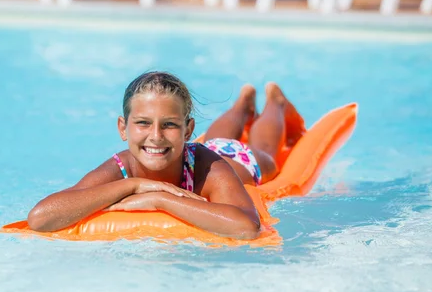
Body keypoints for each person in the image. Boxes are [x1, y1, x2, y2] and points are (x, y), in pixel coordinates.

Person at [27, 71, 305, 240]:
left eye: (170, 124)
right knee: (218, 137)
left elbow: (247, 226)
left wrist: (161, 198)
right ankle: (243, 104)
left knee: (266, 154)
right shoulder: (121, 168)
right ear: (123, 128)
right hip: (195, 147)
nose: (156, 135)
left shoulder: (210, 167)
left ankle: (276, 103)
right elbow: (40, 218)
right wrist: (134, 186)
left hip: (237, 160)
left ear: (187, 130)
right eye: (143, 123)